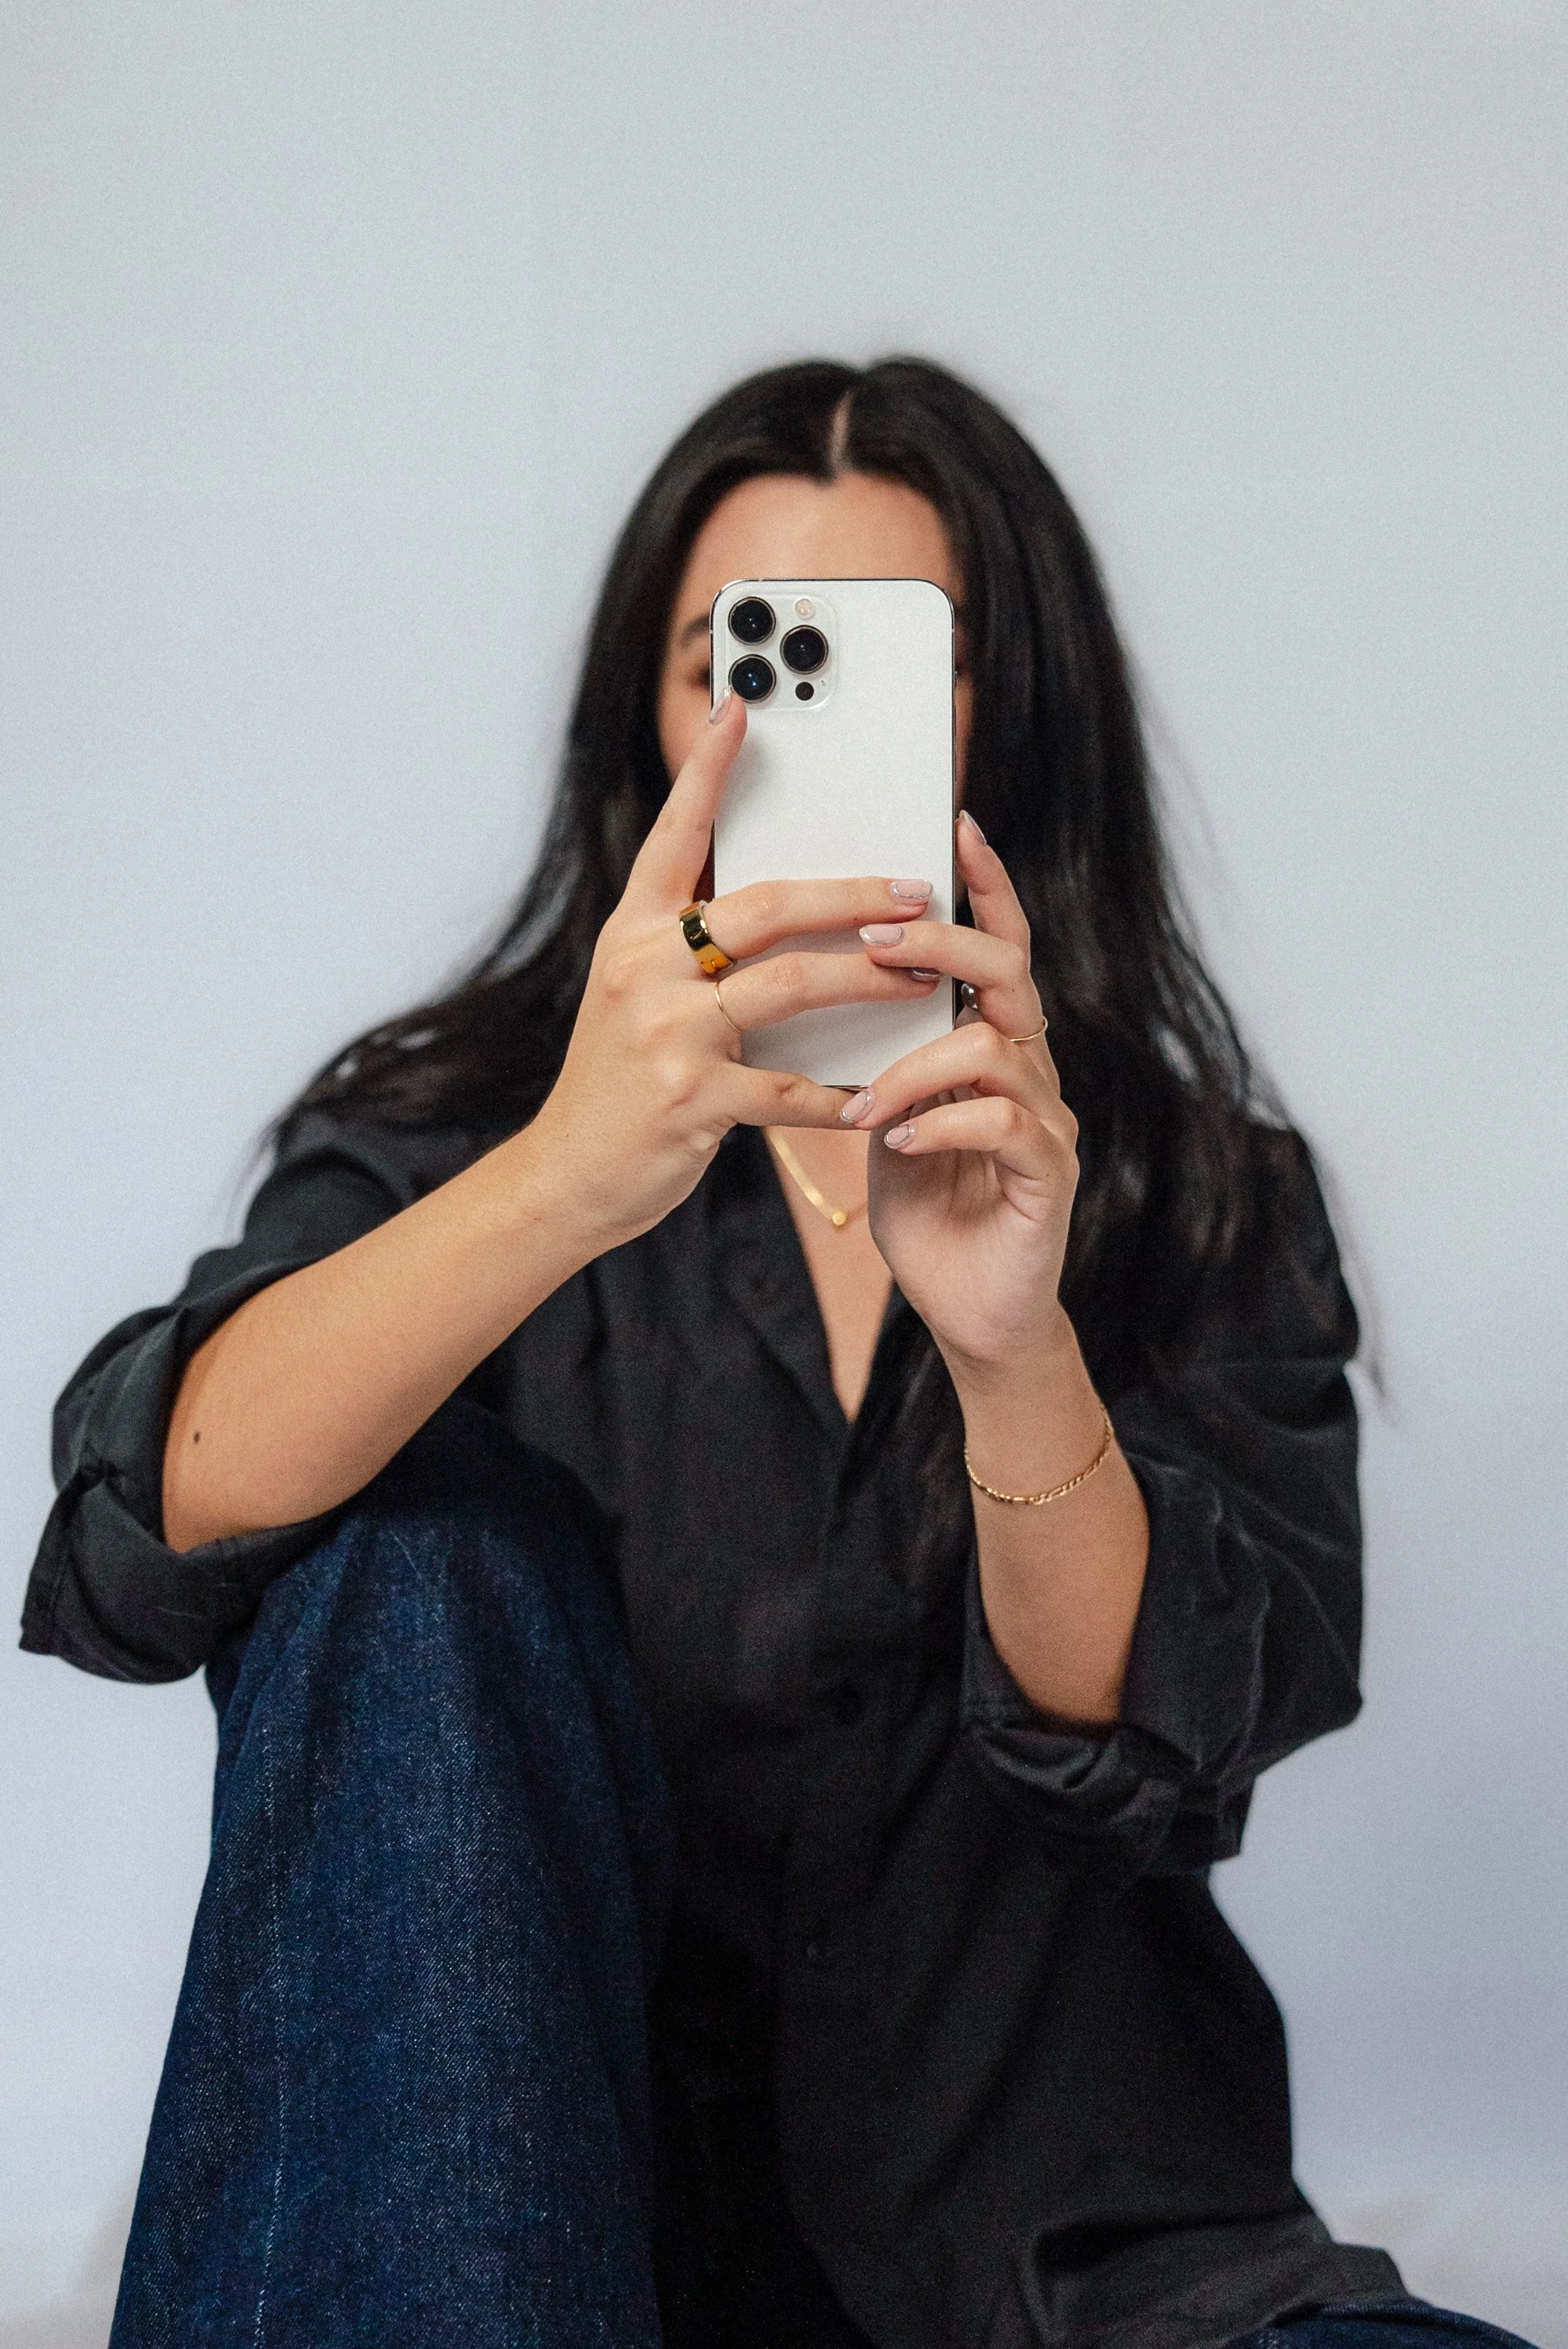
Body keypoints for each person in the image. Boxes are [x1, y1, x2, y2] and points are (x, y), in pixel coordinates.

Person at [23, 358, 1534, 2349]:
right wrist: (564, 1179)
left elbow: (1182, 1751)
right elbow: (143, 1539)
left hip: (1072, 2269)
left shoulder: (1187, 1194)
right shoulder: (453, 1145)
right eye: (731, 659)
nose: (777, 727)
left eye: (881, 663)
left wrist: (1012, 1346)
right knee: (404, 1532)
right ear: (644, 723)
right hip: (519, 2243)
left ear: (1007, 717)